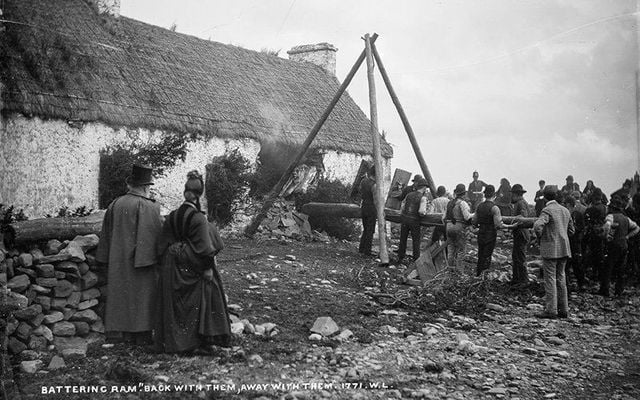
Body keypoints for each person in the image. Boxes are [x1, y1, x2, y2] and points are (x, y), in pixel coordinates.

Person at [155, 171, 231, 353]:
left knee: (176, 303)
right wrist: (207, 269)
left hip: (173, 265)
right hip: (193, 264)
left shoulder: (172, 215)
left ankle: (173, 341)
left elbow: (162, 244)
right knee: (211, 288)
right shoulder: (198, 218)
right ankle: (202, 339)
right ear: (200, 194)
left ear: (184, 192)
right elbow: (205, 249)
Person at [96, 164, 163, 345]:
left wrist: (104, 258)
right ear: (145, 187)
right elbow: (155, 237)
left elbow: (106, 236)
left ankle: (120, 334)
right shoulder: (148, 206)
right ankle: (141, 335)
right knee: (142, 298)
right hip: (141, 263)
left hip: (117, 261)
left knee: (120, 296)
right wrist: (157, 258)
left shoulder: (115, 204)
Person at [533, 185, 575, 319]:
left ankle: (551, 310)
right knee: (561, 277)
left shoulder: (547, 210)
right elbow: (571, 231)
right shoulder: (565, 210)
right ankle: (564, 309)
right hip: (564, 248)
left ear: (545, 197)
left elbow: (537, 225)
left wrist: (541, 237)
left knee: (550, 278)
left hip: (551, 248)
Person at [472, 185, 519, 276]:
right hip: (490, 234)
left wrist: (478, 225)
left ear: (485, 195)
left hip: (481, 233)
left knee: (480, 255)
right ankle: (484, 277)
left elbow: (474, 221)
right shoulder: (495, 208)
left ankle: (478, 275)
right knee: (487, 256)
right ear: (494, 195)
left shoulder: (479, 206)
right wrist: (511, 226)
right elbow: (499, 225)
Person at [599, 196, 640, 297]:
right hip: (624, 245)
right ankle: (619, 291)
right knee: (621, 269)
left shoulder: (610, 216)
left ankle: (605, 290)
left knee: (608, 267)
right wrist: (627, 236)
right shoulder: (626, 219)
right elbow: (637, 228)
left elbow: (607, 226)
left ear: (612, 208)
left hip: (613, 245)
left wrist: (606, 236)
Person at [397, 177, 430, 264]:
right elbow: (421, 212)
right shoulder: (423, 198)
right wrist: (425, 214)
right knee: (416, 240)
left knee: (403, 238)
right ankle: (416, 259)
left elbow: (403, 207)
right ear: (424, 187)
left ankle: (400, 257)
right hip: (414, 221)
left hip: (405, 219)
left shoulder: (409, 195)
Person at [446, 184, 473, 270]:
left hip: (448, 227)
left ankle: (449, 270)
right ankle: (459, 271)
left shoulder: (450, 203)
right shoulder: (462, 203)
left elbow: (443, 217)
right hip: (459, 227)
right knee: (461, 251)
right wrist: (476, 214)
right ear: (464, 194)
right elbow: (467, 217)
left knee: (451, 250)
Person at [584, 188, 607, 282]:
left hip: (593, 233)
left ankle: (594, 274)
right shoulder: (605, 207)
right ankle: (600, 275)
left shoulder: (591, 208)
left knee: (594, 254)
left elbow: (586, 218)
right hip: (603, 232)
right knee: (601, 254)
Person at [565, 194, 587, 291]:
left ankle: (577, 284)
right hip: (574, 243)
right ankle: (575, 284)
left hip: (572, 242)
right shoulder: (576, 214)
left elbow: (581, 228)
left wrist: (572, 230)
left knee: (573, 264)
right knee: (574, 264)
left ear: (569, 204)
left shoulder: (574, 215)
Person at [510, 184, 531, 285]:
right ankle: (517, 279)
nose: (511, 196)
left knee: (520, 257)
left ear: (517, 194)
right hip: (520, 233)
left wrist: (511, 225)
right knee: (516, 256)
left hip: (521, 234)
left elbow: (523, 219)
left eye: (513, 194)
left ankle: (523, 280)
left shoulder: (521, 203)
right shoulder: (520, 203)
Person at [358, 166, 377, 256]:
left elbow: (359, 191)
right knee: (370, 230)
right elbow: (376, 200)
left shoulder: (363, 181)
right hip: (371, 208)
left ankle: (361, 249)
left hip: (364, 206)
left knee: (365, 229)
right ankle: (367, 251)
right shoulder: (374, 185)